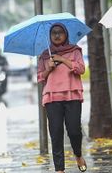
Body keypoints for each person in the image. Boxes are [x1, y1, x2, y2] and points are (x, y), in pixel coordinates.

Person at [37, 23, 87, 173]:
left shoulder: (75, 50)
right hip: (52, 97)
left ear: (65, 34)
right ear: (50, 36)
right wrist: (48, 68)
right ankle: (59, 169)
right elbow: (40, 77)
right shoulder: (45, 55)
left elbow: (81, 69)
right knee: (56, 133)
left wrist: (62, 59)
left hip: (72, 96)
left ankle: (78, 154)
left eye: (60, 32)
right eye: (54, 33)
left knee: (74, 131)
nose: (57, 35)